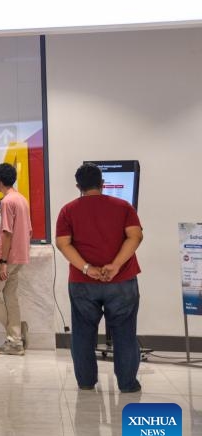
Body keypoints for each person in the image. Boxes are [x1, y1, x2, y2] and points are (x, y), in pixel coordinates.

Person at [55, 163, 144, 393]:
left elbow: (63, 243)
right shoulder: (123, 207)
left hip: (82, 283)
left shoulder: (68, 210)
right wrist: (115, 266)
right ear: (102, 184)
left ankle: (86, 381)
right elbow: (135, 236)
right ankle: (127, 384)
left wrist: (87, 268)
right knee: (124, 333)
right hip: (122, 281)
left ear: (78, 186)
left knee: (83, 333)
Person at [0, 163, 32, 356]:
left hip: (8, 257)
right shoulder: (21, 199)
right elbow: (29, 230)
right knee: (10, 297)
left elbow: (7, 233)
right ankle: (16, 337)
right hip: (20, 256)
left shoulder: (7, 201)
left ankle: (15, 335)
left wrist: (3, 262)